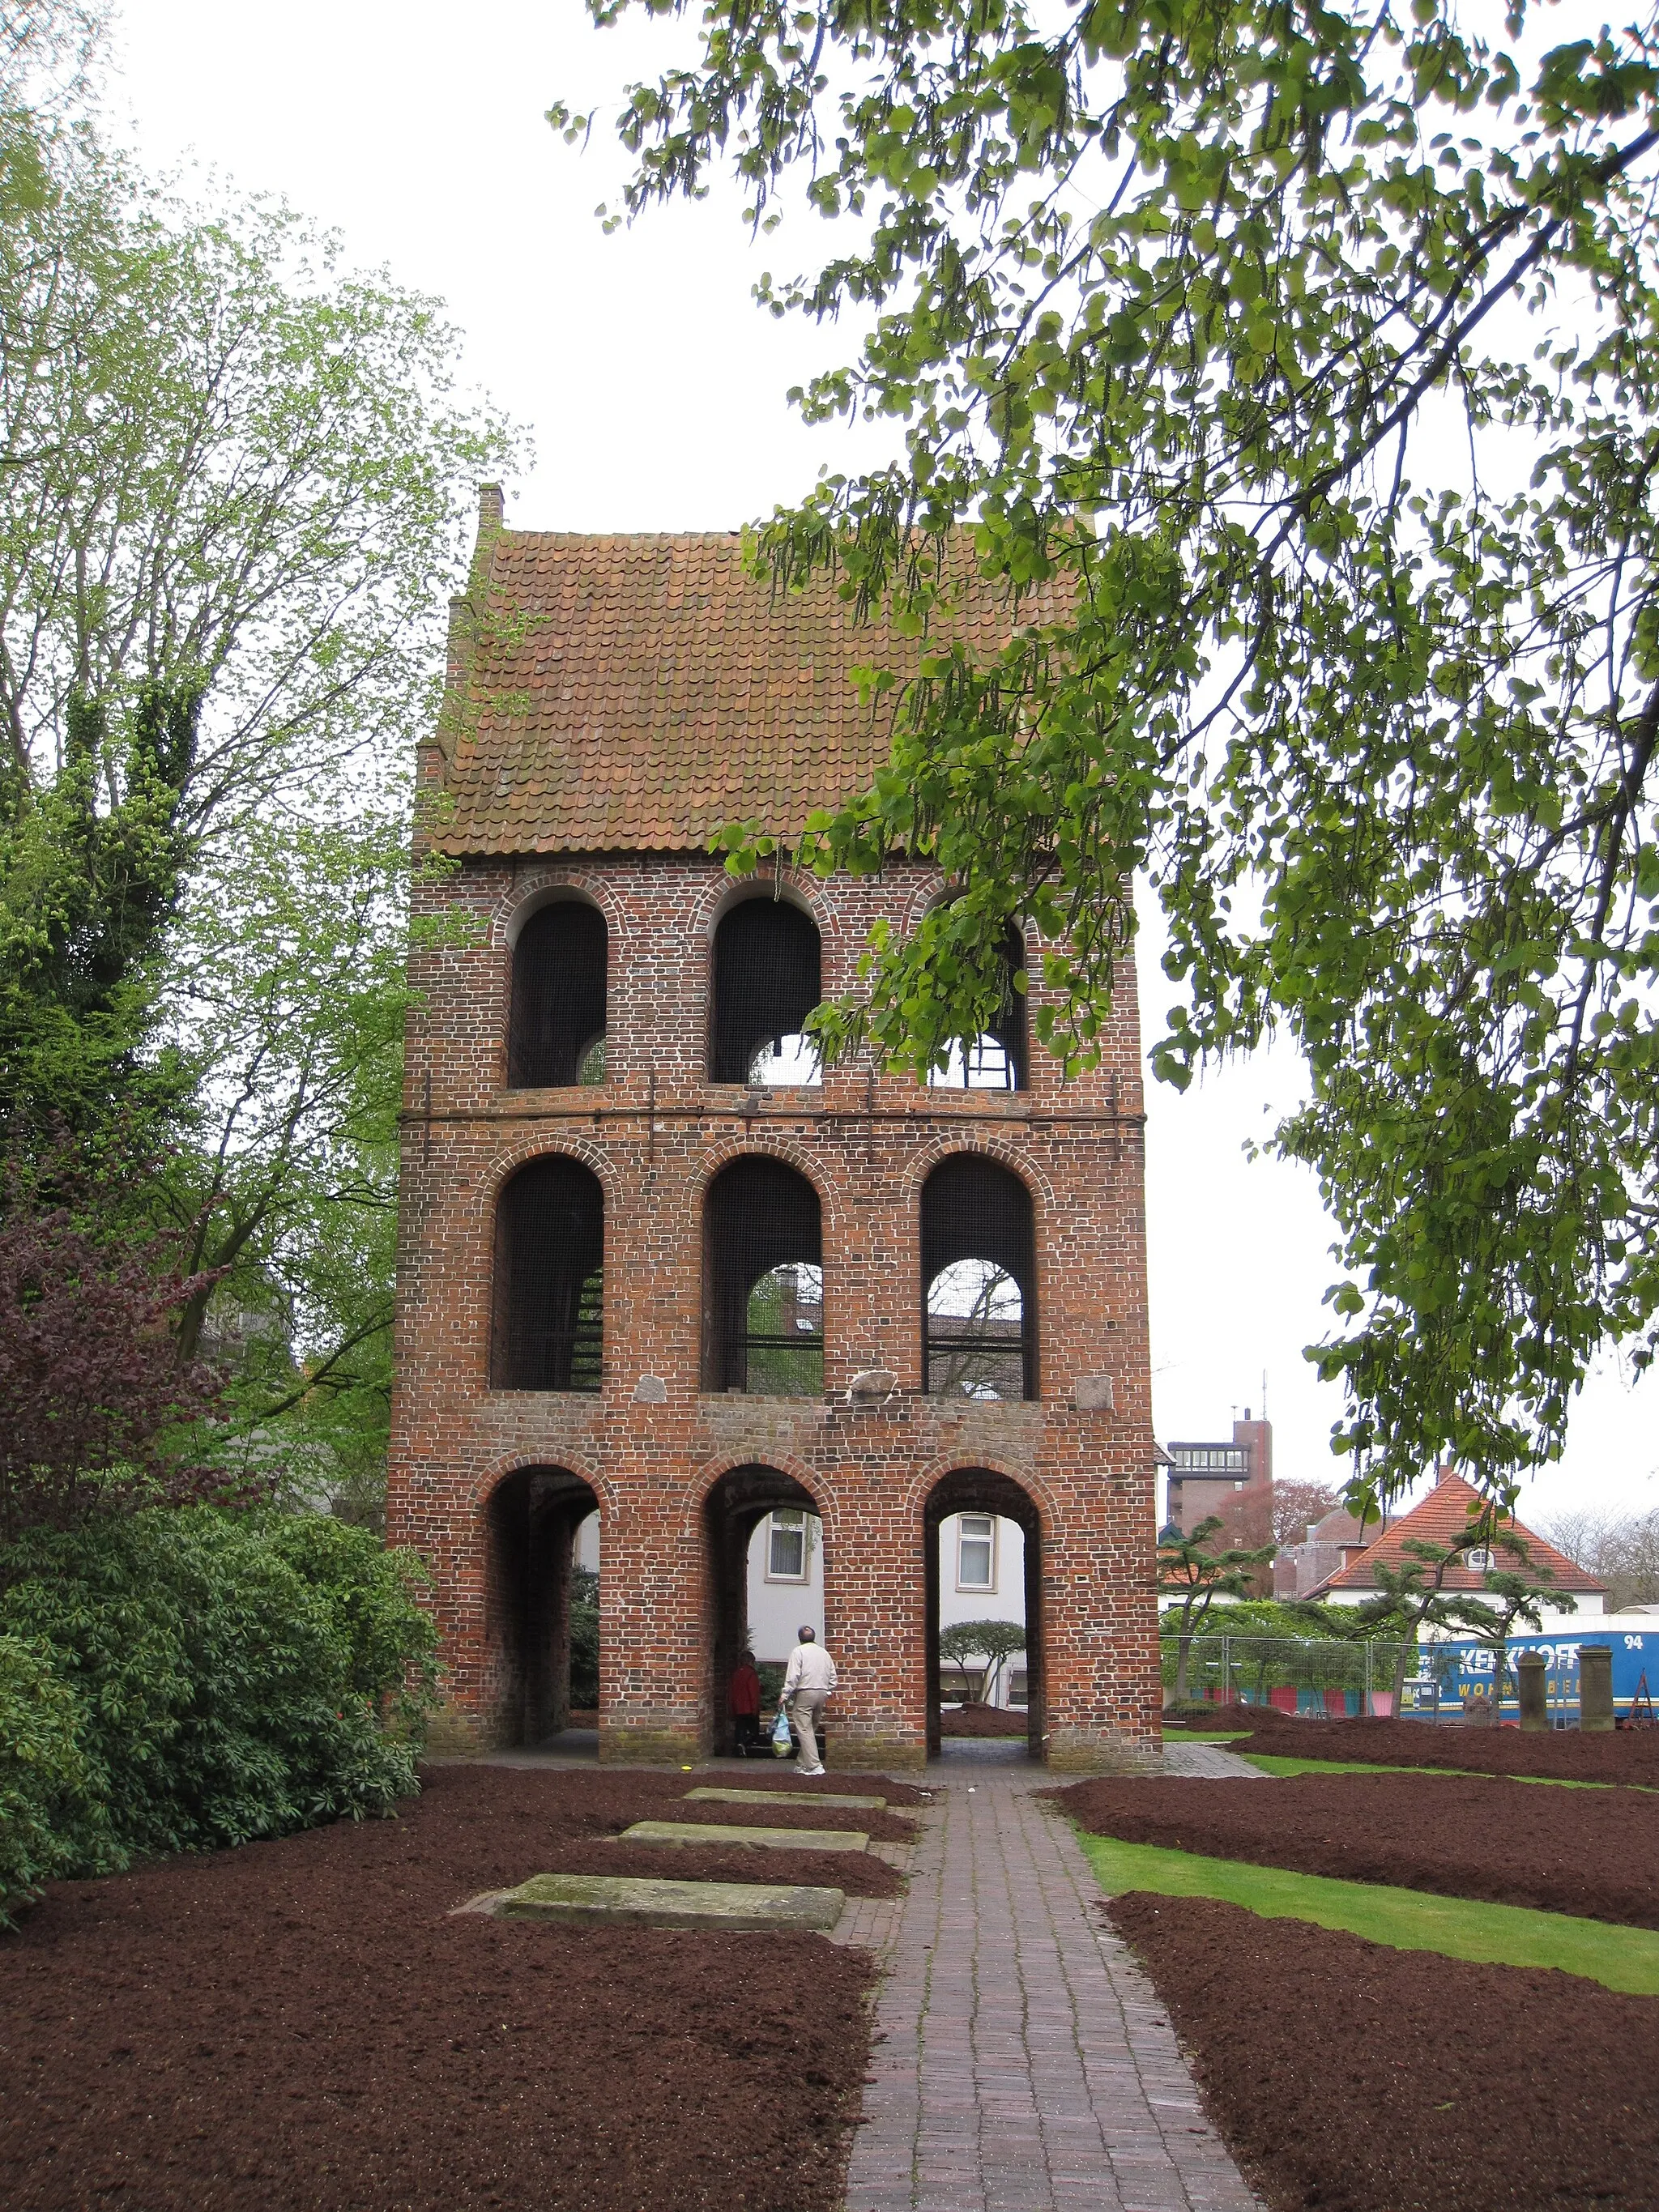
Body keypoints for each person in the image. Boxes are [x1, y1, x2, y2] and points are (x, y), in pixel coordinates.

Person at [779, 1625, 837, 1775]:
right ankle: (801, 1764)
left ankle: (814, 1766)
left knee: (804, 1729)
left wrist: (785, 1694)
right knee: (811, 1728)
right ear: (814, 1637)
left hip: (805, 1691)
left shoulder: (798, 1652)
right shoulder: (824, 1653)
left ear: (800, 1638)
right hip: (822, 1693)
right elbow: (833, 1677)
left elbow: (793, 1676)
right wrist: (827, 1691)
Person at [729, 1647, 762, 1756]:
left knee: (740, 1728)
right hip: (749, 1707)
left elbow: (732, 1692)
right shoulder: (751, 1674)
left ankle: (739, 1744)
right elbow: (753, 1692)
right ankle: (747, 1746)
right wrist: (755, 1708)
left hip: (738, 1707)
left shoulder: (736, 1673)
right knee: (753, 1731)